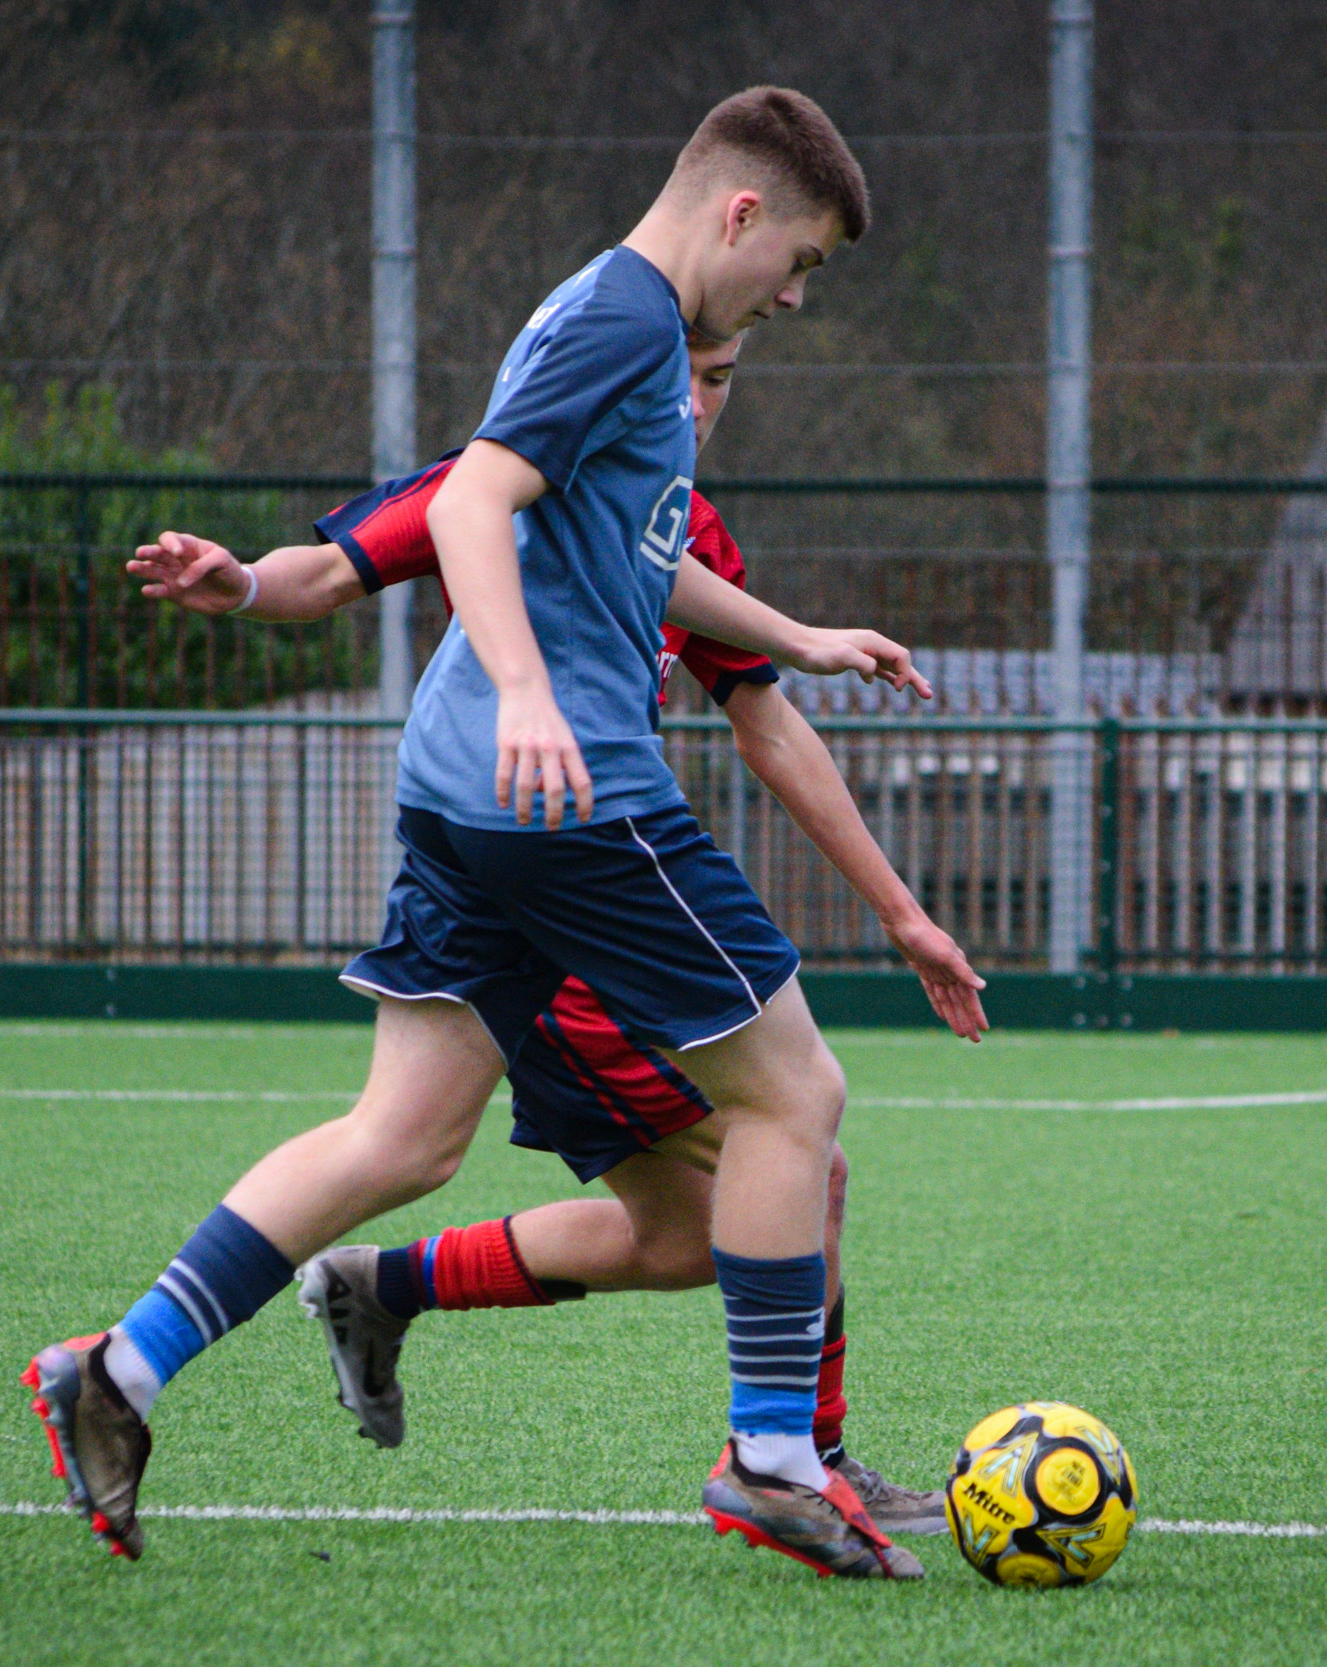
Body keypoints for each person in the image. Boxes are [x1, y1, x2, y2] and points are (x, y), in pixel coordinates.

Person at [27, 86, 923, 1579]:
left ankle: (117, 1367)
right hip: (561, 797)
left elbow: (626, 550)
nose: (796, 297)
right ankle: (775, 1454)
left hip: (460, 803)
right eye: (804, 263)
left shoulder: (621, 324)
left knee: (405, 1134)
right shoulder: (628, 319)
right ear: (743, 213)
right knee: (794, 1098)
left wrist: (797, 634)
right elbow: (471, 508)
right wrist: (525, 689)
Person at [124, 326, 988, 1537]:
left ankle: (358, 1293)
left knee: (682, 1216)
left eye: (724, 378)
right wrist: (247, 578)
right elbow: (318, 575)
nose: (694, 401)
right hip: (560, 901)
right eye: (680, 371)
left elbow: (771, 723)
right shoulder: (497, 472)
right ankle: (797, 1460)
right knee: (790, 1141)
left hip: (577, 881)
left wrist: (905, 913)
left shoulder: (684, 532)